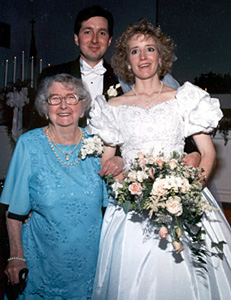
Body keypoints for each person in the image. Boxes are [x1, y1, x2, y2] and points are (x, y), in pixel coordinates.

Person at [86, 19, 231, 299]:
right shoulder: (112, 108)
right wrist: (125, 183)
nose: (143, 57)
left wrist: (187, 192)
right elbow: (109, 163)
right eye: (135, 51)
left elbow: (208, 152)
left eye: (150, 49)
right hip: (133, 208)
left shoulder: (185, 98)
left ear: (161, 56)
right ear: (126, 61)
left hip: (184, 199)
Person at [0, 74, 109, 299]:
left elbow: (113, 208)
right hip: (41, 264)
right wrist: (16, 255)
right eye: (55, 99)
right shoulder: (28, 145)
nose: (63, 106)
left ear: (83, 105)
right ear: (44, 106)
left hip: (91, 266)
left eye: (71, 98)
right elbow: (14, 211)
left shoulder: (100, 145)